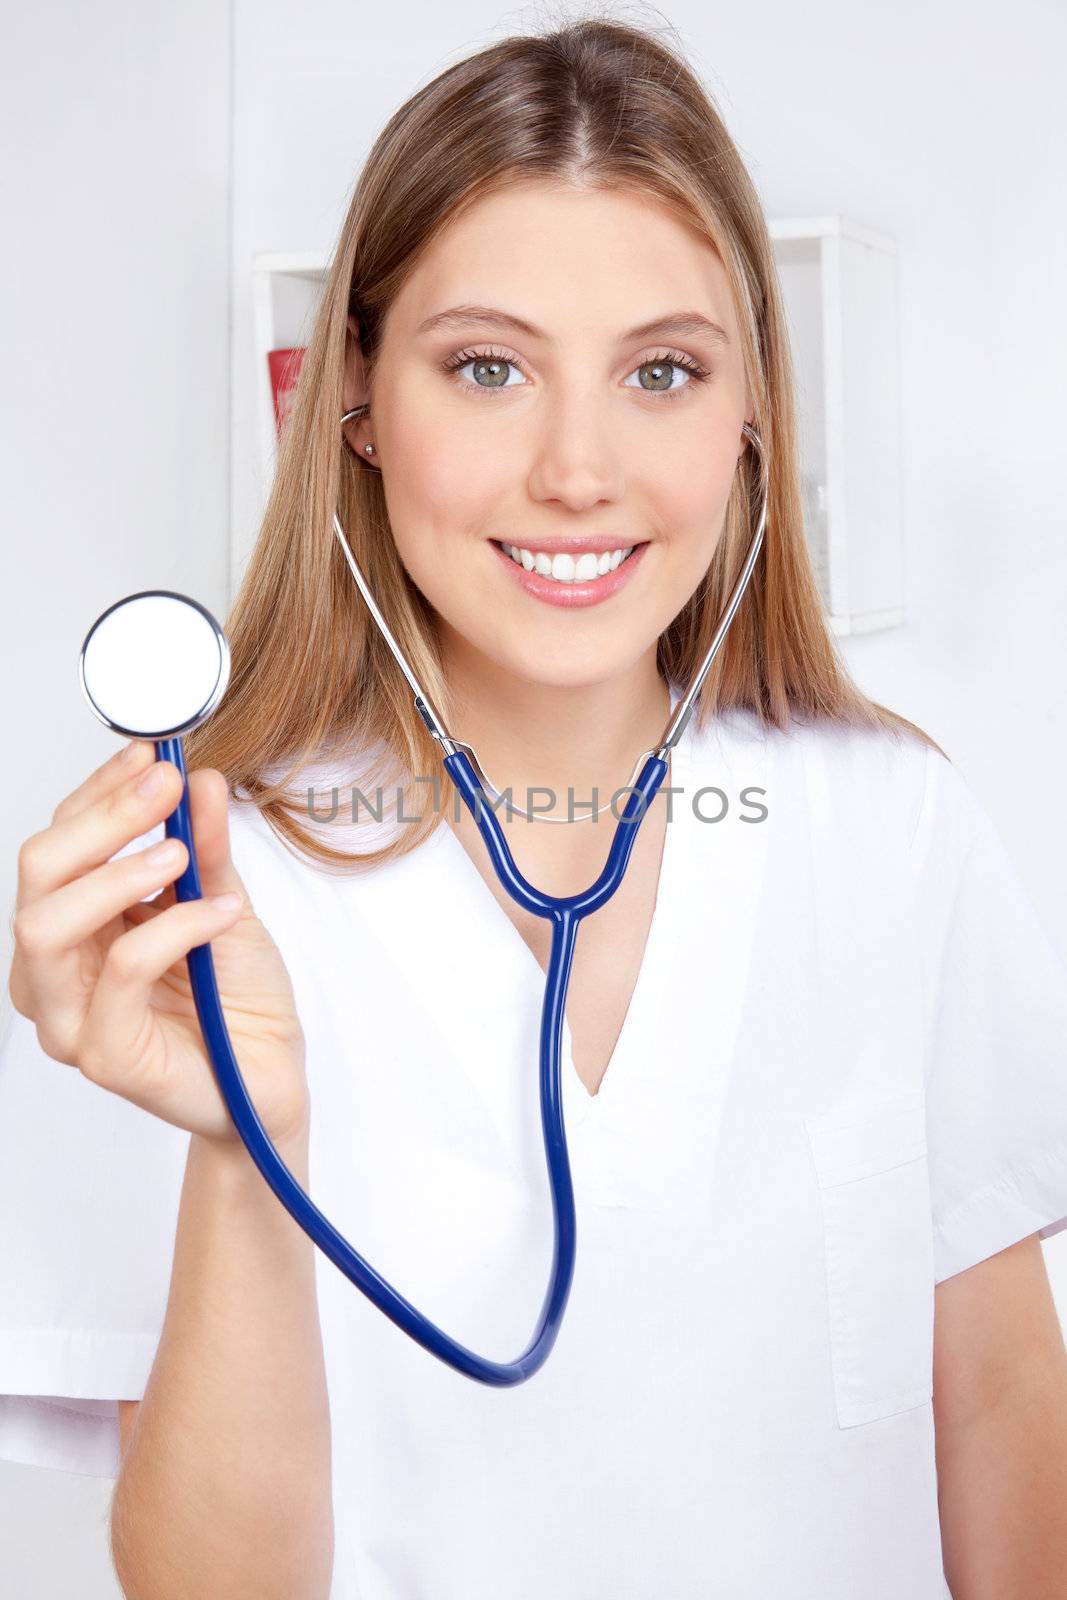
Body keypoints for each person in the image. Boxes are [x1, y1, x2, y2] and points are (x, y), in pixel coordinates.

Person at [2, 16, 1066, 1600]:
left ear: (752, 407)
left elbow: (995, 1407)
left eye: (663, 371)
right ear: (352, 393)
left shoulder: (895, 831)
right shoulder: (177, 900)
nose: (579, 469)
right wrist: (246, 1152)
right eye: (488, 367)